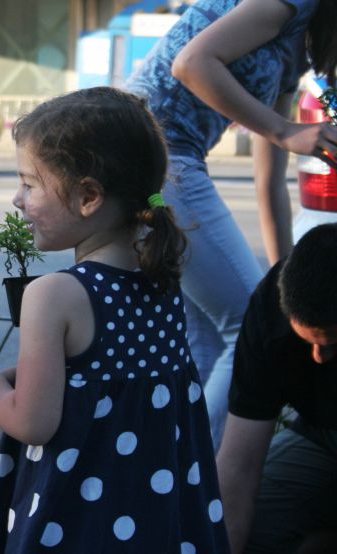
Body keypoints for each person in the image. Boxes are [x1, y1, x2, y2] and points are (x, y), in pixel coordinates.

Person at [0, 87, 229, 552]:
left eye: (29, 183)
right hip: (154, 516)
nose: (17, 198)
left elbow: (33, 422)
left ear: (88, 195)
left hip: (75, 520)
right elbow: (99, 380)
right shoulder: (162, 275)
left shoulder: (55, 294)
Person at [125, 0, 337, 447]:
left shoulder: (295, 50)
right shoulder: (285, 2)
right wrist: (284, 129)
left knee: (213, 347)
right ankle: (195, 478)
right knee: (244, 327)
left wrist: (286, 289)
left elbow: (269, 183)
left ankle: (176, 488)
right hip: (156, 160)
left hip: (163, 163)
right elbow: (192, 63)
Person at [216, 223, 337, 554]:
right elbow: (239, 466)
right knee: (253, 528)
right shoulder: (269, 312)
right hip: (320, 437)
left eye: (331, 344)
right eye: (307, 342)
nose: (318, 358)